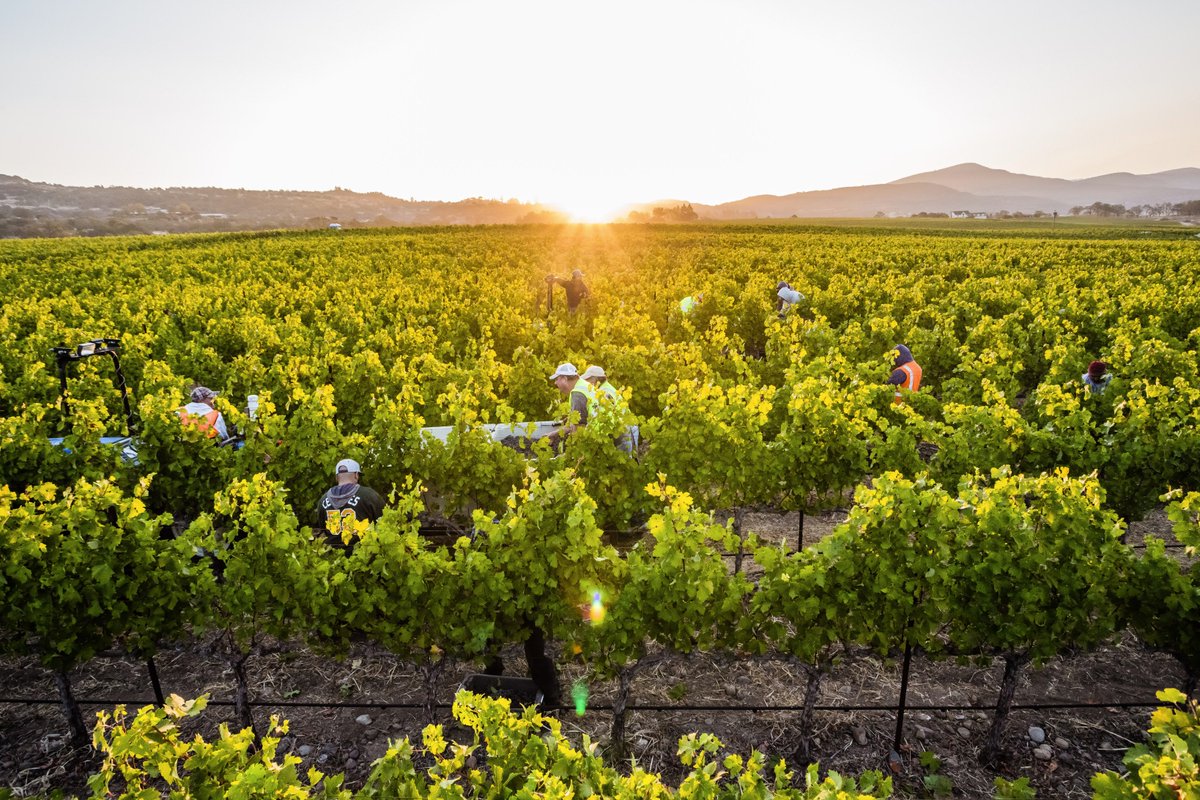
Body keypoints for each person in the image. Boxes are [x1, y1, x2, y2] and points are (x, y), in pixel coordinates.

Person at [316, 458, 385, 549]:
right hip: (363, 556)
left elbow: (323, 528)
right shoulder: (368, 495)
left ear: (337, 477)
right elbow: (384, 520)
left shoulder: (323, 500)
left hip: (333, 557)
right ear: (356, 475)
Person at [581, 364, 634, 453]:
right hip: (624, 432)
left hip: (619, 435)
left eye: (588, 381)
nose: (587, 384)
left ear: (594, 380)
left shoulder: (604, 392)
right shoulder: (607, 388)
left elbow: (605, 416)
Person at [546, 362, 595, 447]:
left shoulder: (578, 394)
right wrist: (555, 434)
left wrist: (571, 454)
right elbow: (572, 424)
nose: (555, 383)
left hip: (600, 437)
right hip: (606, 434)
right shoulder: (583, 386)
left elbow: (579, 427)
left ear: (564, 379)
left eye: (557, 379)